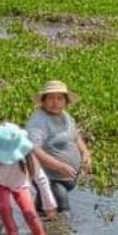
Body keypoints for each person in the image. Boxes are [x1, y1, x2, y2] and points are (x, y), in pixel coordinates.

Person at [25, 80, 91, 213]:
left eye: (59, 98)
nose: (55, 102)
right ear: (43, 101)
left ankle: (38, 217)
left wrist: (85, 153)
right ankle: (60, 232)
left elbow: (76, 137)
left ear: (66, 102)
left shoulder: (66, 117)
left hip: (66, 177)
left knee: (44, 208)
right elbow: (34, 149)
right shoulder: (38, 121)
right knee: (63, 209)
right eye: (50, 98)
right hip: (49, 177)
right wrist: (59, 166)